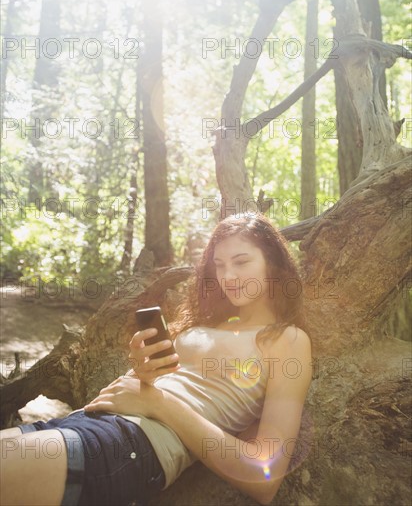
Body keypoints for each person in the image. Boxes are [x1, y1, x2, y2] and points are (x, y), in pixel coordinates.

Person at [0, 212, 313, 506]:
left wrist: (157, 402)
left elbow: (263, 477)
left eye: (241, 262)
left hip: (130, 446)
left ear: (272, 263)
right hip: (82, 421)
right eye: (219, 265)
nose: (228, 276)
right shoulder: (205, 325)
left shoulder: (287, 340)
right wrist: (143, 372)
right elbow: (158, 388)